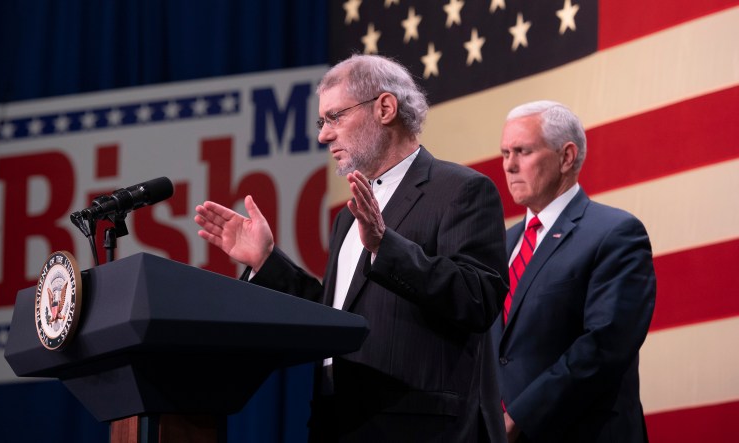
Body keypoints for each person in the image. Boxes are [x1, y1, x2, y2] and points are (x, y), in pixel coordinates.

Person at [194, 54, 509, 442]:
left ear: (385, 108)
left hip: (416, 427)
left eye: (335, 117)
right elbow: (339, 317)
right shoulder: (348, 217)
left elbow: (478, 298)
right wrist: (266, 261)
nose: (324, 135)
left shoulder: (460, 191)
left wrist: (385, 246)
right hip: (338, 423)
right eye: (321, 122)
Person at [492, 100, 656, 443]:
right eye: (505, 152)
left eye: (522, 151)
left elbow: (603, 346)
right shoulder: (500, 246)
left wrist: (518, 417)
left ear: (567, 156)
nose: (509, 165)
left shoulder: (615, 233)